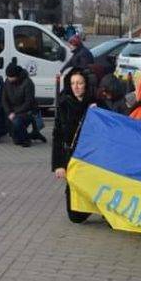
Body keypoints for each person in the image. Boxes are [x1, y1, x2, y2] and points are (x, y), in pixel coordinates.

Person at [52, 68, 94, 224]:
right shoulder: (64, 104)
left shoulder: (94, 104)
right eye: (73, 83)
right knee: (75, 216)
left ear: (86, 84)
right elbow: (57, 136)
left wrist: (98, 113)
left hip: (92, 157)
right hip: (72, 157)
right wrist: (58, 165)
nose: (76, 87)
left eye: (80, 83)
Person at [2, 63, 45, 147]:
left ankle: (27, 140)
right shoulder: (7, 81)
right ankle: (33, 135)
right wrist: (8, 112)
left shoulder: (28, 83)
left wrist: (15, 113)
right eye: (8, 76)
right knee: (16, 140)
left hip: (27, 111)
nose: (9, 78)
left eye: (11, 77)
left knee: (16, 121)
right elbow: (4, 99)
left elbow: (28, 102)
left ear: (17, 76)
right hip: (13, 110)